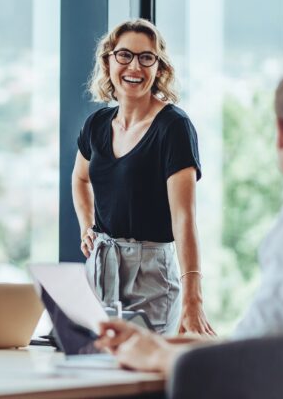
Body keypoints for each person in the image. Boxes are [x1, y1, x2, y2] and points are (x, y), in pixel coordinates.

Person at [94, 61, 283, 373]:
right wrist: (160, 343)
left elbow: (254, 359)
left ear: (282, 134)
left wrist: (156, 356)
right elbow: (264, 339)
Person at [73, 19, 213, 335]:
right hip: (100, 267)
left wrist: (194, 299)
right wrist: (86, 226)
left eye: (146, 57)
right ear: (108, 61)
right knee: (94, 370)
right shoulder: (96, 125)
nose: (134, 66)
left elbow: (184, 218)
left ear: (159, 68)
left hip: (151, 273)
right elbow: (80, 179)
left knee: (144, 376)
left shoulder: (173, 127)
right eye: (124, 55)